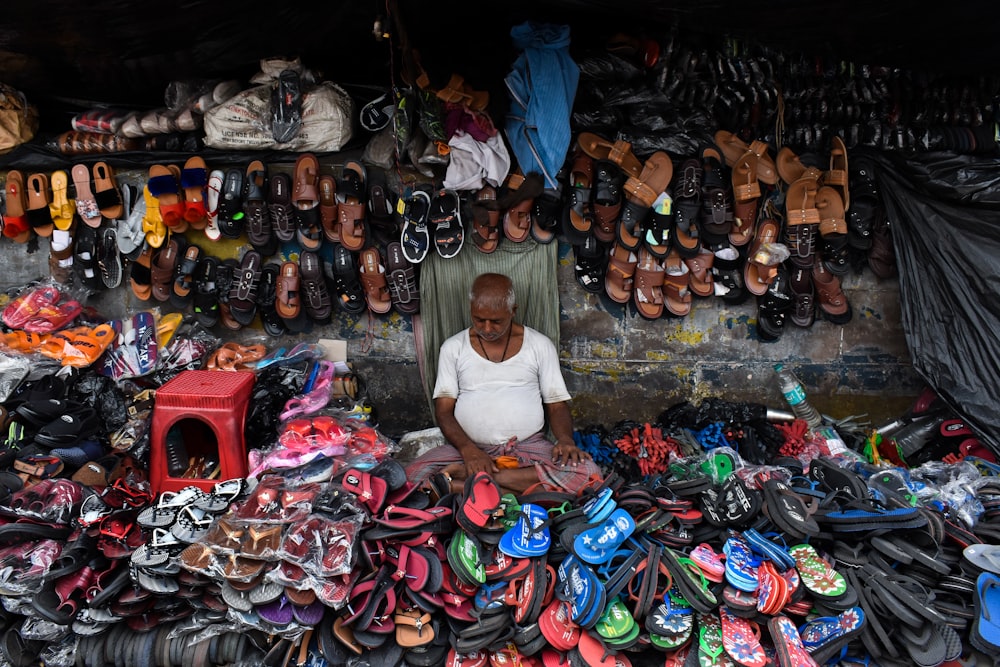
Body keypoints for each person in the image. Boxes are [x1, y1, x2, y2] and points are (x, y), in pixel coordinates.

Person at [405, 272, 602, 495]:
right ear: (470, 311)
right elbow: (444, 412)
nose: (487, 329)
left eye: (496, 321)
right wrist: (469, 451)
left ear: (513, 311)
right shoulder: (453, 348)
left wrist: (565, 440)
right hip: (470, 450)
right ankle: (513, 489)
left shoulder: (539, 345)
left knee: (589, 475)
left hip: (528, 448)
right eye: (479, 320)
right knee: (411, 476)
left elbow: (556, 405)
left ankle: (469, 484)